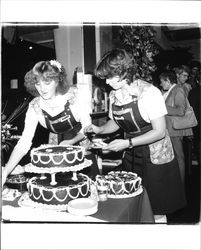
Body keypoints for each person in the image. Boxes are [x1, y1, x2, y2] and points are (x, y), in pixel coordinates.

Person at [85, 49, 186, 222]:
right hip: (131, 153)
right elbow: (115, 122)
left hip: (156, 155)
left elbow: (159, 131)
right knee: (134, 199)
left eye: (110, 77)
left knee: (157, 207)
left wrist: (127, 143)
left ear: (123, 72)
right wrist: (100, 129)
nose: (107, 82)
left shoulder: (149, 93)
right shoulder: (115, 94)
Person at [2, 60, 92, 186]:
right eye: (38, 84)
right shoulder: (35, 106)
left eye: (47, 83)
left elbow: (88, 127)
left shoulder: (74, 98)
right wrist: (5, 172)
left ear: (57, 81)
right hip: (56, 145)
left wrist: (71, 142)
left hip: (81, 143)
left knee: (82, 186)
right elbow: (24, 142)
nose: (42, 89)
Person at [159, 70, 193, 185]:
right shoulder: (172, 90)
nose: (161, 84)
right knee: (176, 158)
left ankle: (181, 186)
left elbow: (180, 110)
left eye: (162, 81)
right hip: (171, 130)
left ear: (168, 80)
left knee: (179, 158)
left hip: (175, 131)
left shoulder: (178, 89)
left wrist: (162, 108)